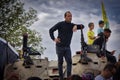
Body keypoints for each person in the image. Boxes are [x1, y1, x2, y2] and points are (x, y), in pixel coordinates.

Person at [49, 11, 84, 80]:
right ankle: (61, 78)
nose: (70, 17)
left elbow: (83, 26)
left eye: (71, 16)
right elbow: (51, 30)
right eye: (68, 16)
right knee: (60, 62)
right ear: (65, 17)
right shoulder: (60, 24)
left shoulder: (72, 25)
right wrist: (54, 39)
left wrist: (75, 26)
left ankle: (69, 78)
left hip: (67, 47)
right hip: (59, 47)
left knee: (69, 62)